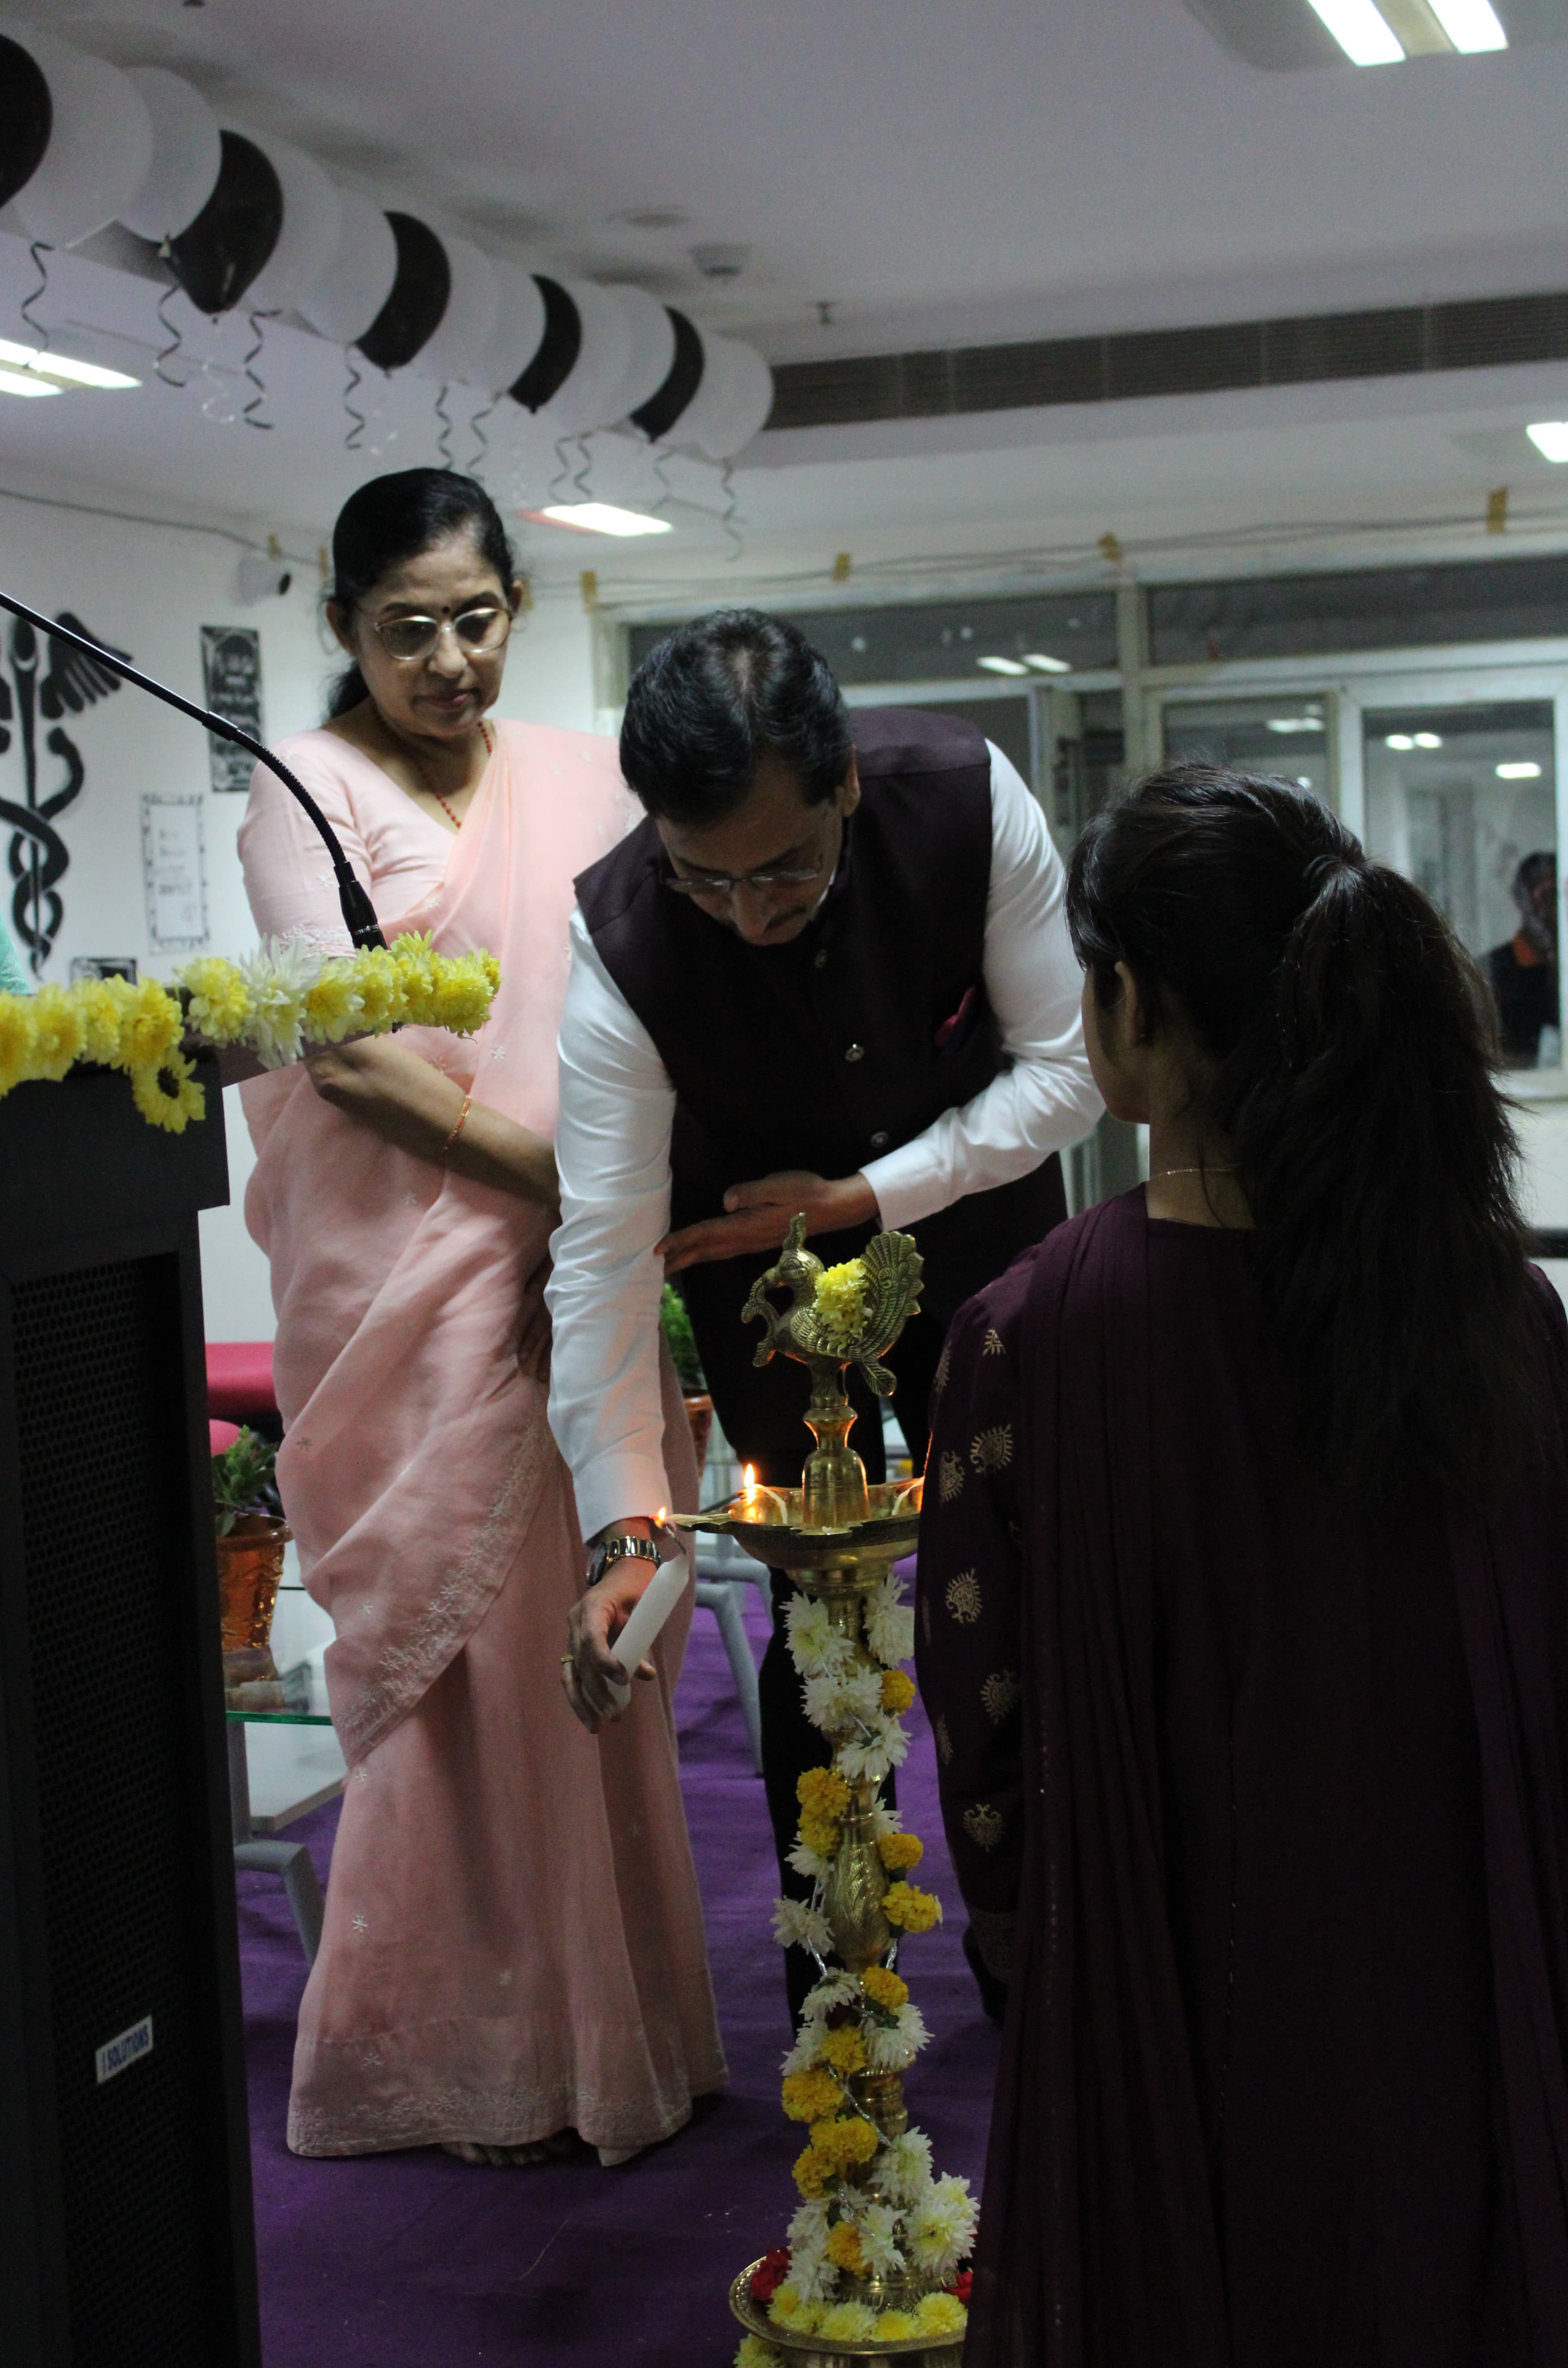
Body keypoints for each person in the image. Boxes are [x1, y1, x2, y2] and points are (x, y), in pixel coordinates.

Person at [917, 763, 1568, 2368]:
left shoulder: (1034, 1338)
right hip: (1459, 1969)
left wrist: (1043, 1962)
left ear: (1129, 1007)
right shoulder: (1499, 1310)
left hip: (1172, 1993)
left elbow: (983, 1726)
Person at [236, 468, 725, 2167]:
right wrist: (573, 1189)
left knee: (590, 1629)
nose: (447, 660)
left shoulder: (588, 776)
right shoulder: (304, 789)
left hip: (585, 1252)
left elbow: (659, 996)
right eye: (405, 630)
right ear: (343, 627)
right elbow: (348, 1059)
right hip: (410, 1282)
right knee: (458, 1672)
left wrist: (616, 1213)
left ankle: (620, 2036)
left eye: (476, 619)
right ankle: (465, 2062)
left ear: (517, 607)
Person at [549, 609, 1101, 2021]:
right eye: (706, 879)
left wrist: (864, 1195)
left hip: (974, 1222)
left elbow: (1069, 1070)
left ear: (846, 777)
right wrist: (624, 1528)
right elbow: (602, 1251)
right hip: (758, 1273)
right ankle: (839, 2001)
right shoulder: (619, 933)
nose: (749, 914)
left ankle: (1053, 1963)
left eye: (785, 868)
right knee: (817, 1612)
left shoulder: (965, 798)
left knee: (1030, 1587)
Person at [1484, 848, 1558, 1068]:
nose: (1551, 909)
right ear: (1520, 899)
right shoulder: (1494, 970)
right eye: (1546, 896)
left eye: (1558, 896)